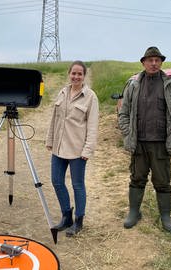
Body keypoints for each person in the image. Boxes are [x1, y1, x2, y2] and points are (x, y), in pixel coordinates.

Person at [118, 47, 171, 233]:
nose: (154, 63)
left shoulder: (170, 86)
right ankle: (133, 212)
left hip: (161, 144)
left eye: (157, 60)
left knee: (163, 181)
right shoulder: (134, 86)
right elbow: (124, 112)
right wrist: (127, 132)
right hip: (139, 143)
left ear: (161, 62)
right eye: (150, 60)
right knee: (137, 178)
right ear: (143, 63)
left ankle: (165, 216)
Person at [46, 60, 99, 237]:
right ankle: (66, 216)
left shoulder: (90, 97)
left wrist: (87, 150)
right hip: (59, 148)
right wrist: (50, 140)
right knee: (56, 181)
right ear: (69, 74)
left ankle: (79, 221)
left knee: (77, 185)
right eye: (73, 73)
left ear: (84, 76)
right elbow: (54, 119)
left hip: (77, 150)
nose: (76, 76)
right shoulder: (62, 93)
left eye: (80, 74)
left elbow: (92, 126)